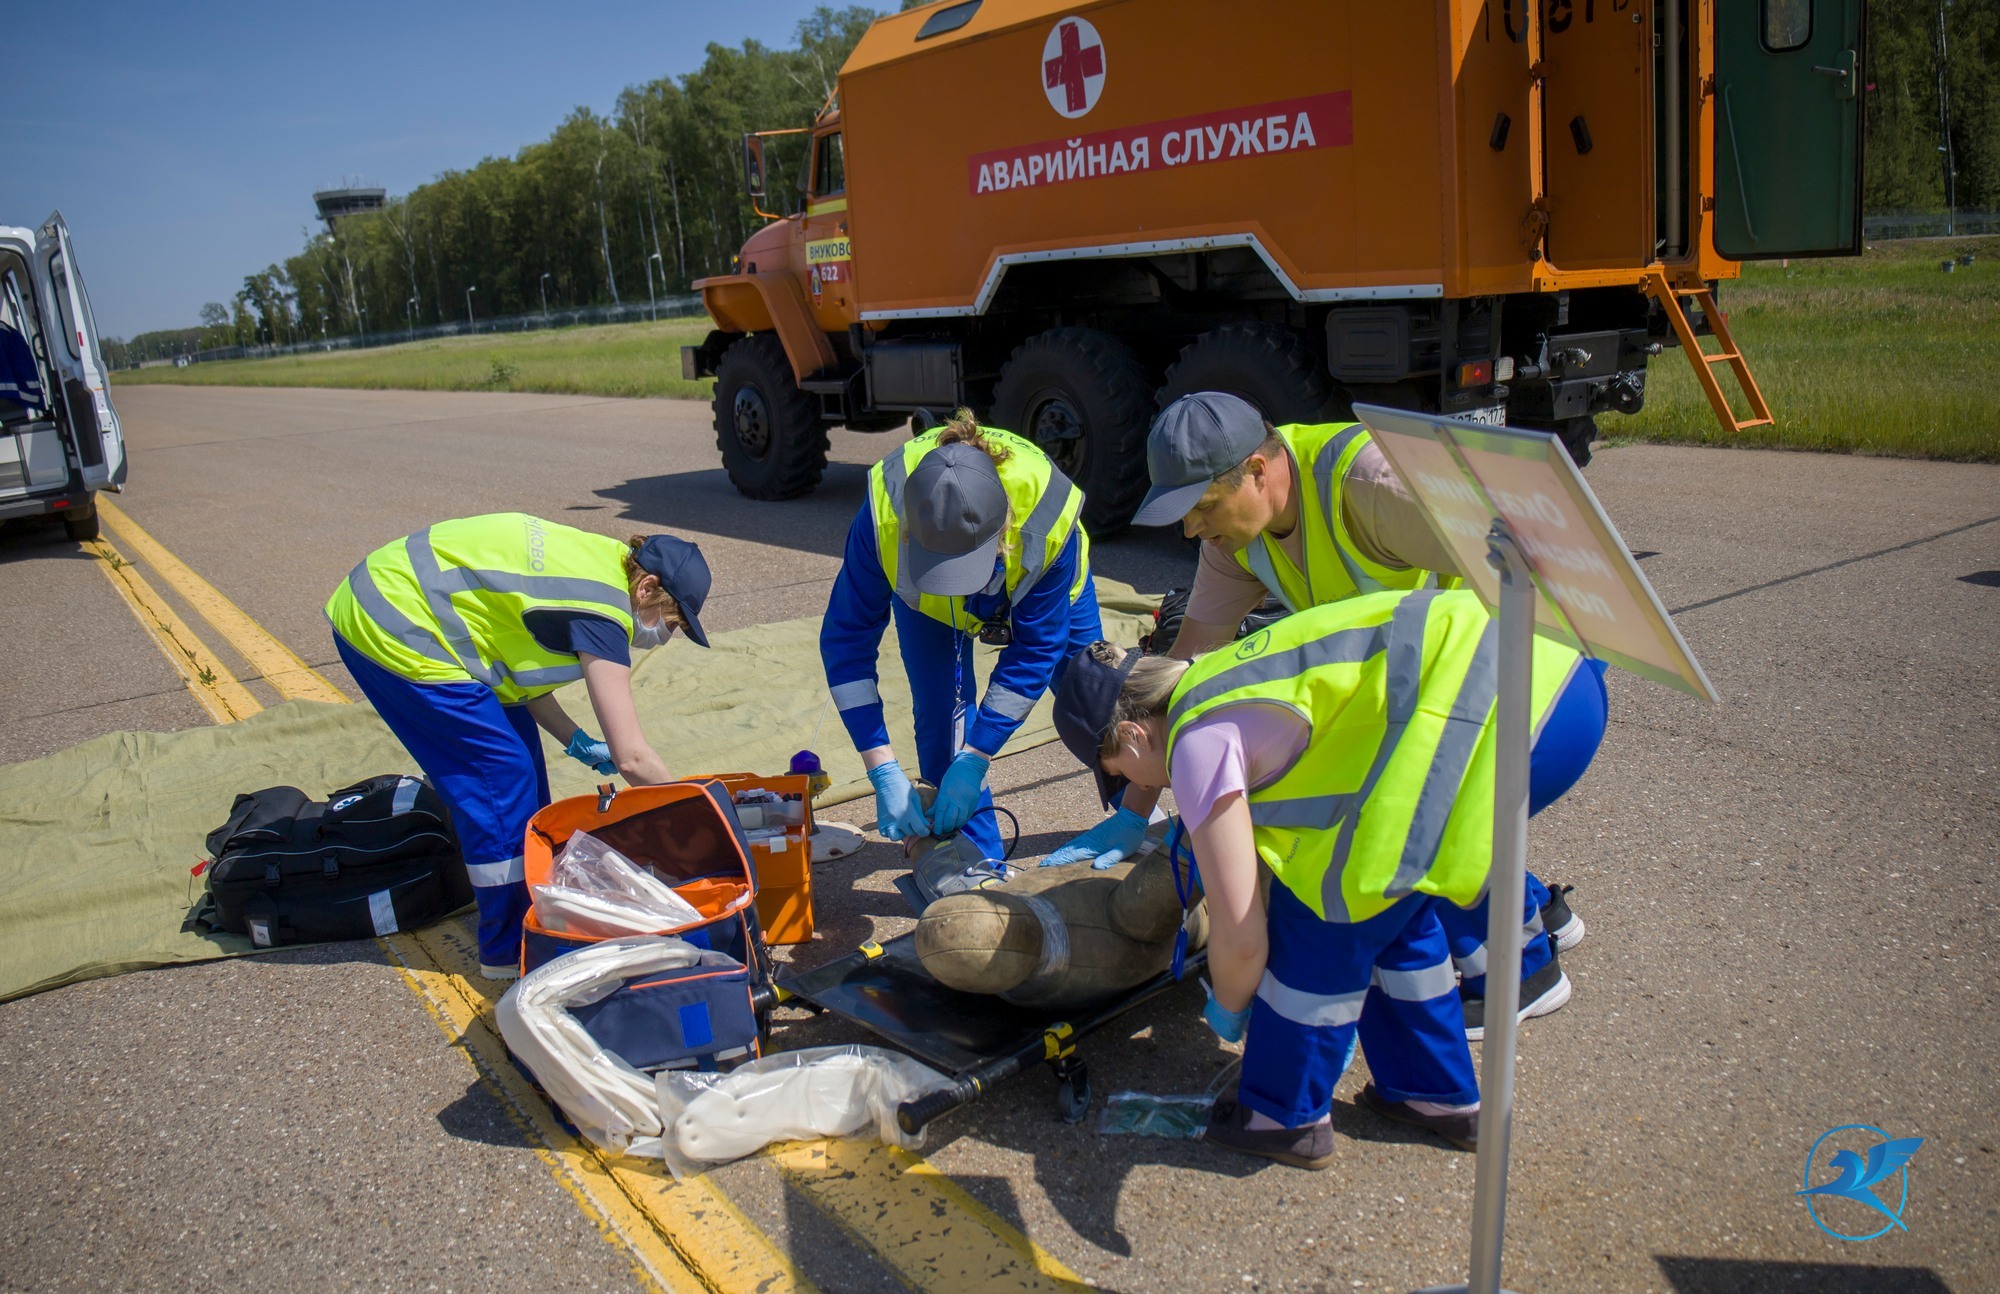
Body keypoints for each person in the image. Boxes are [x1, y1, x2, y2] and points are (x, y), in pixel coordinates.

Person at [1050, 391, 1580, 1035]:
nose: (1191, 530)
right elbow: (1178, 679)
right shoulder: (1233, 541)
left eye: (1202, 507)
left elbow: (1529, 574)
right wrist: (1135, 809)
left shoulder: (1370, 486)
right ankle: (1537, 909)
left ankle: (1523, 973)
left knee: (1401, 831)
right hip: (1412, 698)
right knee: (1373, 813)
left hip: (1507, 681)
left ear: (1257, 469)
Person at [1051, 588, 1608, 1167]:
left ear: (1134, 735)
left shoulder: (1196, 742)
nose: (1141, 788)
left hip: (1510, 710)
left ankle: (1281, 1117)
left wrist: (1230, 1006)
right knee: (1391, 910)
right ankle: (1430, 1090)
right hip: (1553, 679)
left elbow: (1242, 935)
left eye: (1122, 773)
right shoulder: (1216, 677)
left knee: (1321, 917)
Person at [325, 513, 712, 979]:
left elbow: (516, 669)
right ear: (647, 588)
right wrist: (698, 817)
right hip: (390, 619)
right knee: (501, 777)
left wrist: (574, 739)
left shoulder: (606, 565)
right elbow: (632, 756)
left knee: (523, 767)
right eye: (671, 622)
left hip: (402, 600)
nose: (665, 636)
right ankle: (508, 951)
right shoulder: (603, 611)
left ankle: (535, 902)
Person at [821, 410, 1100, 868]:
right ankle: (973, 868)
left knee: (1092, 698)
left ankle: (1138, 814)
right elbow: (846, 641)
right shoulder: (882, 519)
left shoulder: (1046, 520)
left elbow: (1036, 649)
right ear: (909, 529)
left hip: (1040, 579)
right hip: (926, 607)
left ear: (1003, 530)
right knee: (940, 718)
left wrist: (977, 756)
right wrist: (881, 768)